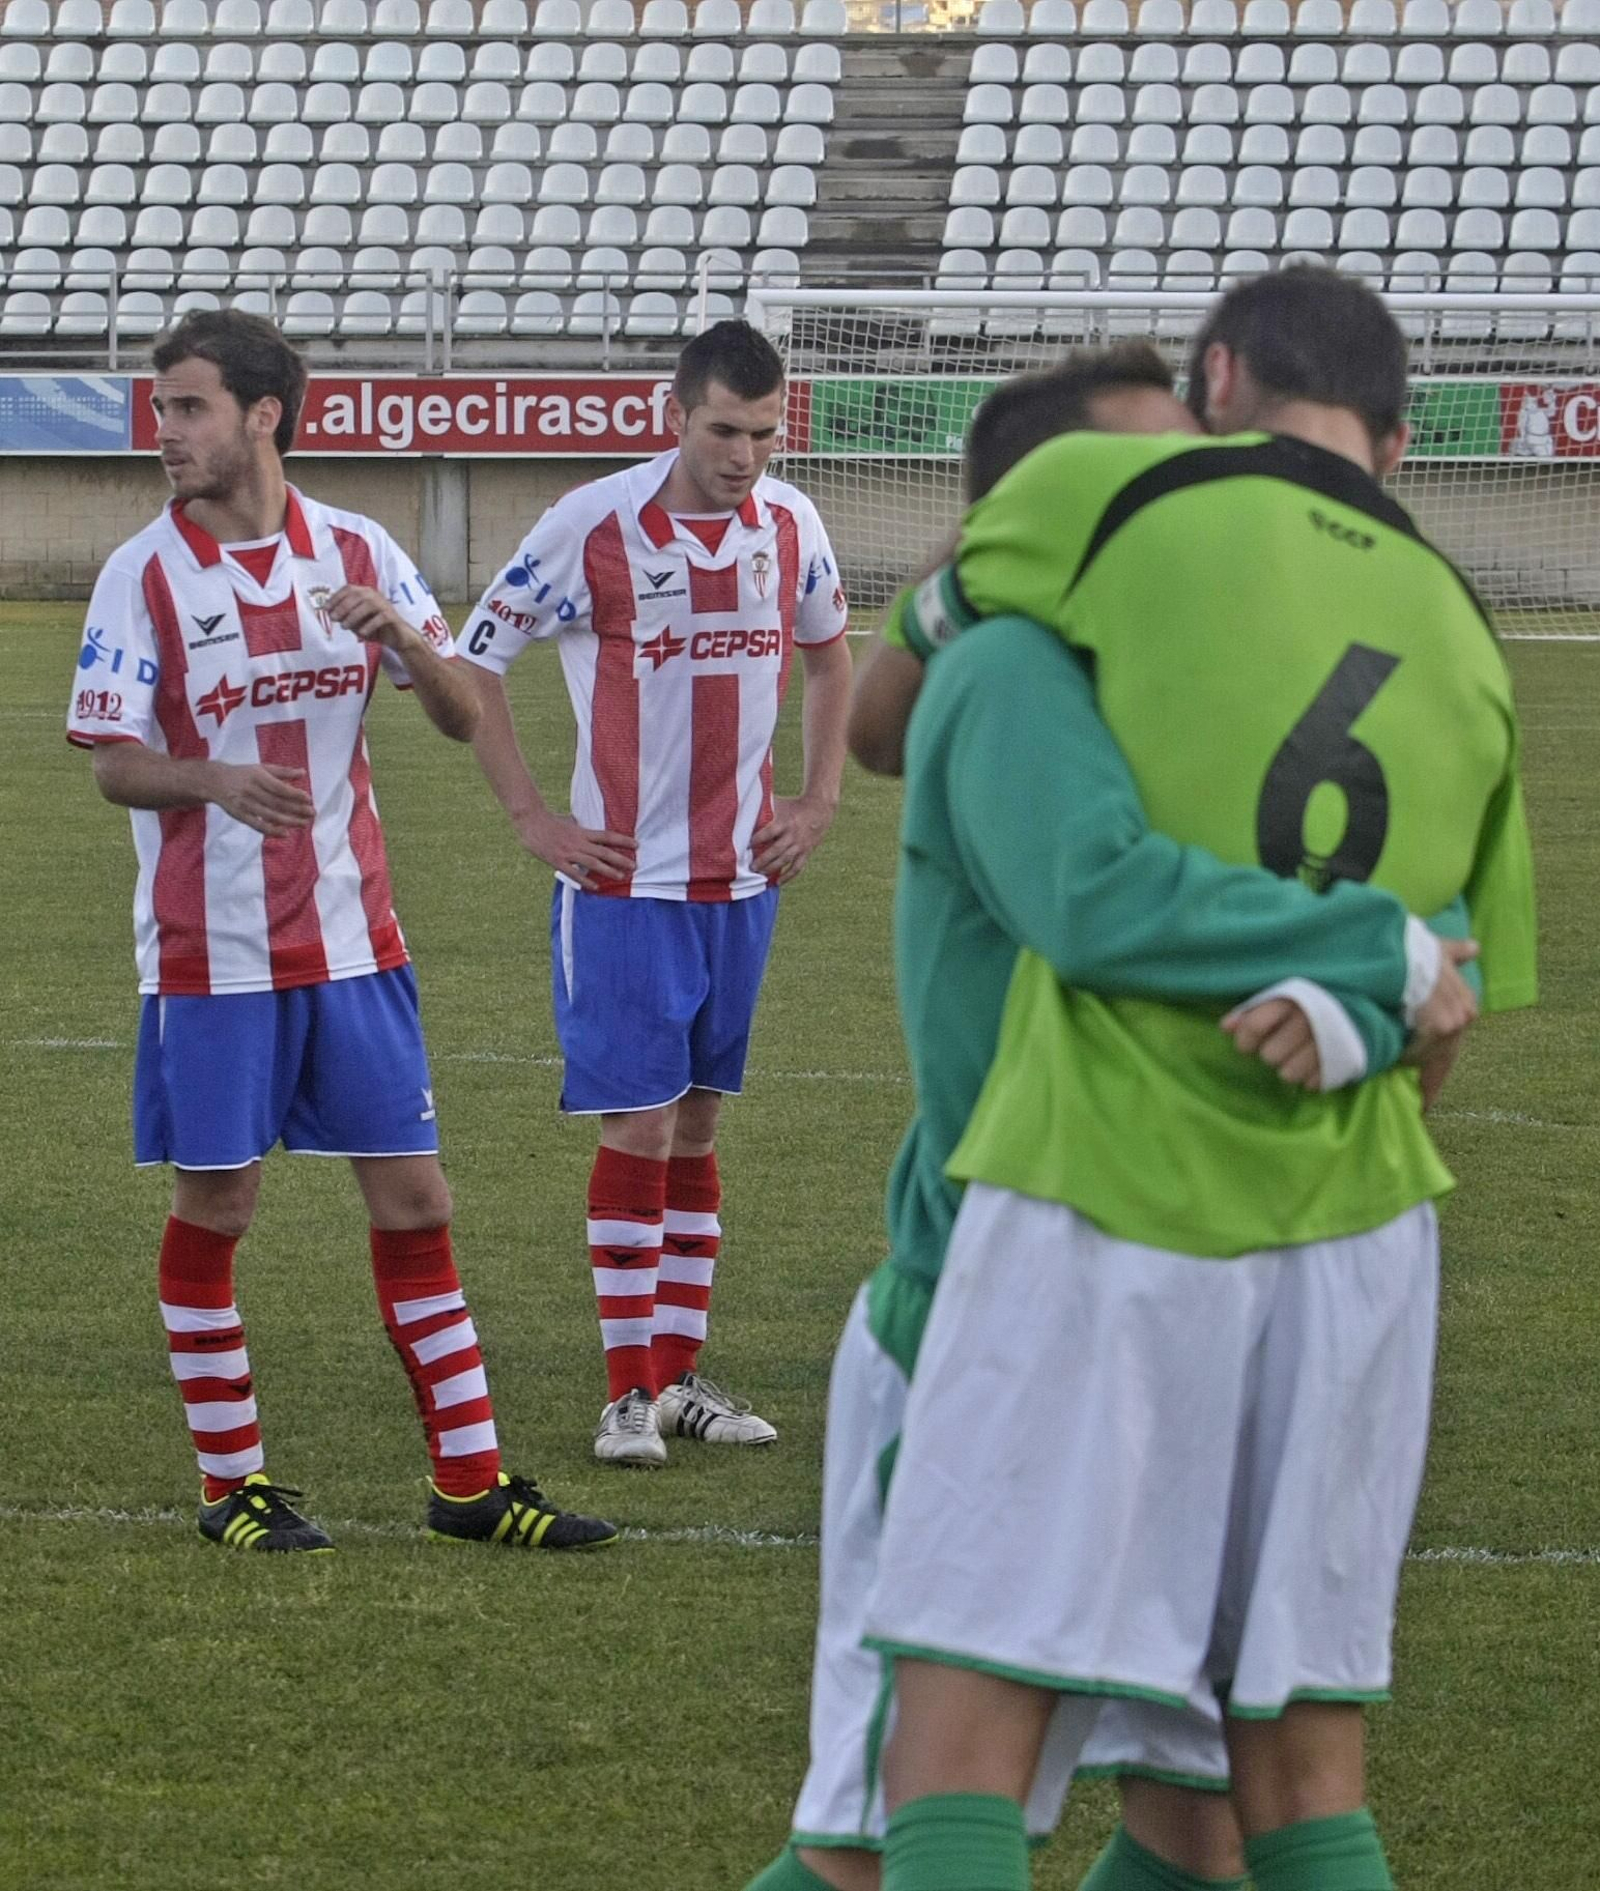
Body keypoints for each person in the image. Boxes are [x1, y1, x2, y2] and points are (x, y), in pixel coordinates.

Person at [746, 345, 1483, 1891]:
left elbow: (1431, 962)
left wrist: (1374, 996)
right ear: (1043, 513)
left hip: (1182, 1300)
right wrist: (1378, 961)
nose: (1191, 501)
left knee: (1197, 1822)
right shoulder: (1014, 675)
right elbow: (1102, 901)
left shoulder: (1188, 684)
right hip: (986, 1306)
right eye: (1144, 473)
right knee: (878, 1845)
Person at [67, 310, 617, 1555]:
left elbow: (463, 709)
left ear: (263, 415)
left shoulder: (356, 548)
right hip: (212, 955)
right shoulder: (140, 574)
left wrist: (408, 638)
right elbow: (111, 762)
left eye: (190, 406)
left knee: (418, 1200)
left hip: (357, 941)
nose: (168, 431)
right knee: (218, 1210)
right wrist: (208, 780)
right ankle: (232, 1488)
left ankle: (469, 1485)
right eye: (162, 408)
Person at [459, 320, 853, 1466]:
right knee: (637, 1121)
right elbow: (475, 661)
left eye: (765, 433)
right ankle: (624, 1392)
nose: (744, 455)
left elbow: (830, 656)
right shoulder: (589, 525)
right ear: (671, 413)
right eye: (725, 430)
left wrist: (819, 800)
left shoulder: (791, 524)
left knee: (697, 1119)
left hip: (745, 878)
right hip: (626, 882)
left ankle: (678, 1379)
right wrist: (534, 816)